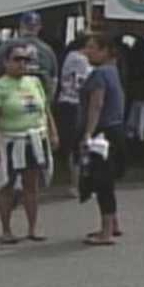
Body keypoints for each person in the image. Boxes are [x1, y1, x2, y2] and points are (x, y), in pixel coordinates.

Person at [0, 44, 59, 244]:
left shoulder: (34, 82)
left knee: (31, 185)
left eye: (26, 60)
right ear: (6, 62)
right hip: (10, 139)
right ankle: (6, 229)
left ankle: (32, 227)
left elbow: (45, 109)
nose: (22, 64)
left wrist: (52, 132)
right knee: (6, 186)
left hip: (34, 138)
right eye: (17, 59)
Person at [80, 32, 127, 246]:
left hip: (103, 131)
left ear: (105, 51)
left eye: (93, 48)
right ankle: (113, 222)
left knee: (102, 181)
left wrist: (88, 133)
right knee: (107, 178)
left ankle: (106, 230)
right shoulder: (113, 71)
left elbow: (96, 104)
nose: (88, 52)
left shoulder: (100, 74)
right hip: (116, 129)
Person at [56, 35, 93, 197]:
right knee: (79, 144)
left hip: (66, 102)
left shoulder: (69, 57)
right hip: (75, 103)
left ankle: (76, 182)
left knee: (73, 145)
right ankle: (78, 184)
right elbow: (84, 83)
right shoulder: (80, 60)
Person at [0, 11, 58, 101]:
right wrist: (47, 102)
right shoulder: (48, 50)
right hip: (38, 99)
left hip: (12, 99)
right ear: (39, 28)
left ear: (21, 26)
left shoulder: (7, 46)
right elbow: (54, 81)